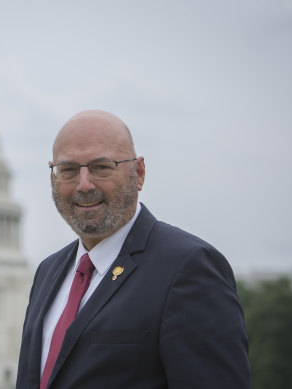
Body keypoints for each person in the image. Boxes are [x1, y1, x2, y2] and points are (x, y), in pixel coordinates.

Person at [16, 110, 250, 389]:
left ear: (138, 173)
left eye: (101, 167)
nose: (84, 184)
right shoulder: (48, 272)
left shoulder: (188, 268)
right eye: (68, 170)